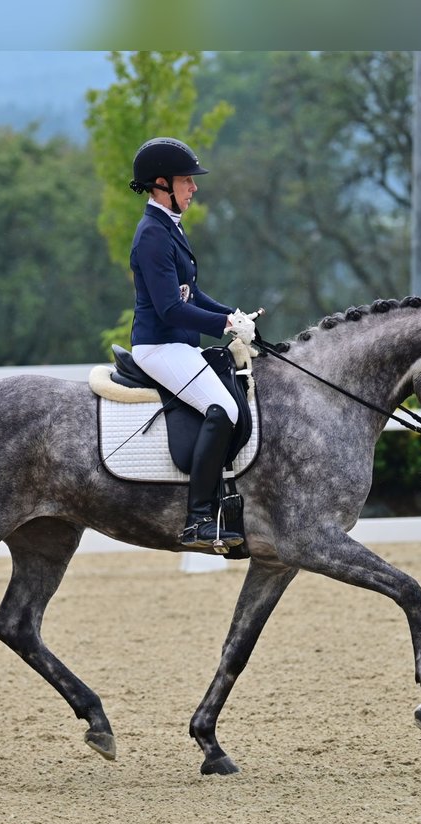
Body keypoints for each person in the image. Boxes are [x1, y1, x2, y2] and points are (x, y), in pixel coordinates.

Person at [126, 136, 257, 551]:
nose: (194, 187)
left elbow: (192, 295)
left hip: (179, 345)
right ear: (160, 184)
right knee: (224, 409)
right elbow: (169, 309)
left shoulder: (170, 228)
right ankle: (199, 518)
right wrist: (222, 323)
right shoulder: (152, 235)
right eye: (186, 180)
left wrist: (234, 317)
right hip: (159, 346)